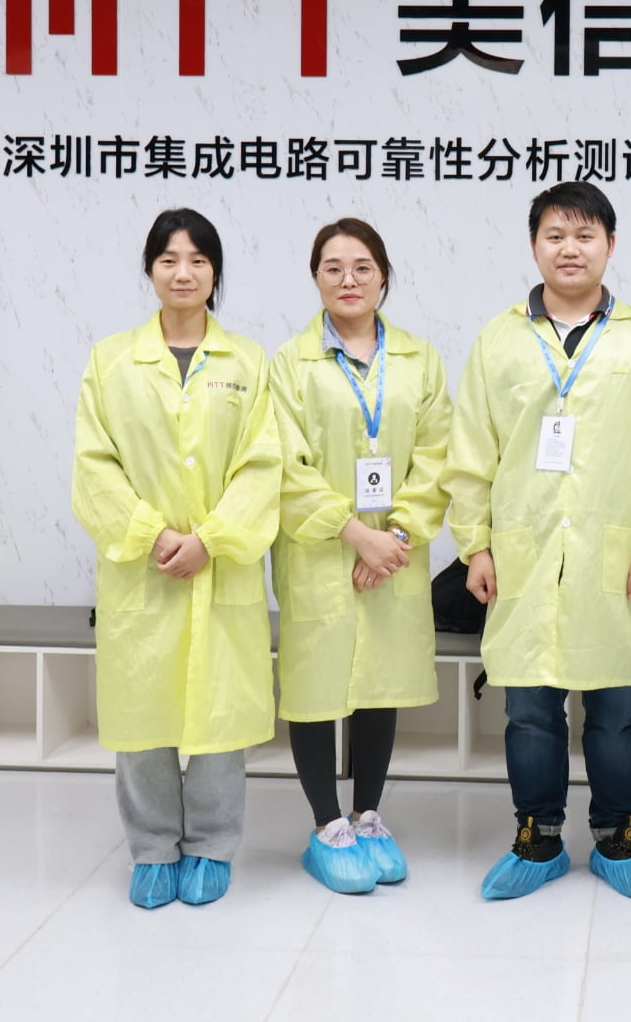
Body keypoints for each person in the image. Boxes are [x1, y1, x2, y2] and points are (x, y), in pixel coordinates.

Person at [441, 181, 631, 902]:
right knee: (528, 706)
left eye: (584, 235)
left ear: (610, 244)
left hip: (613, 551)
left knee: (615, 707)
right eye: (555, 235)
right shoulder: (499, 339)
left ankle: (617, 835)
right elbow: (470, 450)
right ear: (533, 246)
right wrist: (475, 545)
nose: (569, 248)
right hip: (524, 551)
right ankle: (537, 836)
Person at [72, 208, 282, 910]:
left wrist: (210, 539)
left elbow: (263, 464)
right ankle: (153, 846)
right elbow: (93, 464)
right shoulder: (110, 361)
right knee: (143, 712)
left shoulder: (248, 362)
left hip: (221, 567)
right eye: (168, 259)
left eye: (197, 259)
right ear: (150, 270)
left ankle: (214, 843)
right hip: (144, 570)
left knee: (220, 714)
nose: (183, 272)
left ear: (215, 271)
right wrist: (151, 534)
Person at [268, 218, 453, 894]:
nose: (348, 280)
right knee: (316, 686)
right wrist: (355, 534)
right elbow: (284, 465)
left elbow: (438, 454)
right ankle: (327, 826)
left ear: (383, 276)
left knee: (382, 681)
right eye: (333, 268)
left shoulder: (419, 360)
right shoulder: (289, 364)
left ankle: (368, 816)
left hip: (394, 554)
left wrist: (394, 539)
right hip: (321, 553)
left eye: (362, 267)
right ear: (315, 278)